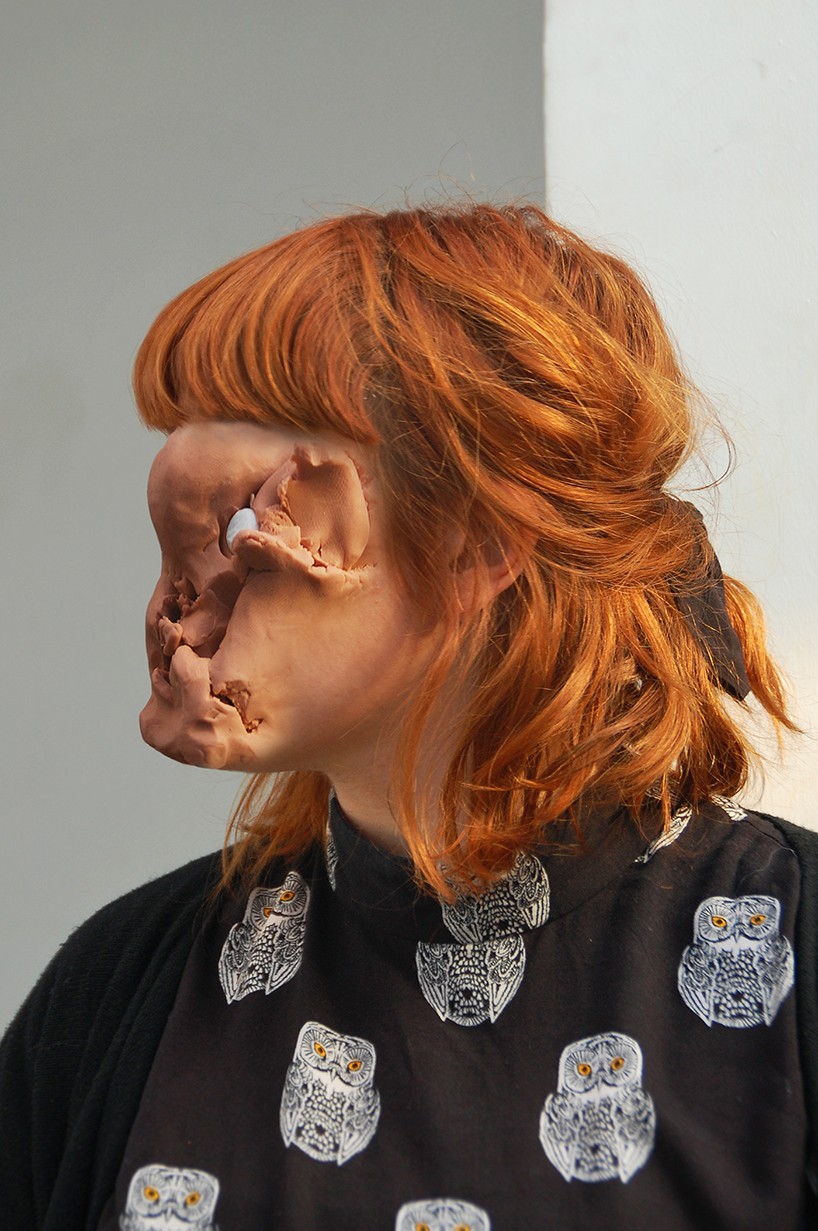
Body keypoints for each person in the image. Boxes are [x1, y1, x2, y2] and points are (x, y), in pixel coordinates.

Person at [1, 200, 815, 1231]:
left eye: (246, 519)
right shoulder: (118, 999)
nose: (181, 605)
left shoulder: (793, 966)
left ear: (478, 545)